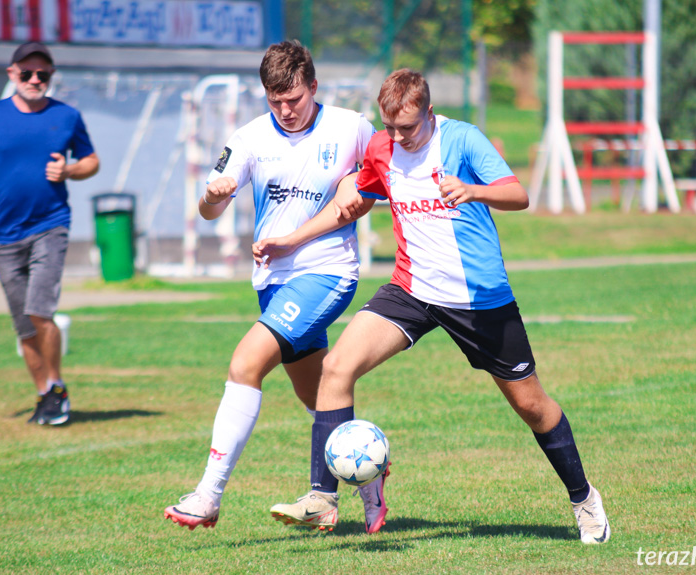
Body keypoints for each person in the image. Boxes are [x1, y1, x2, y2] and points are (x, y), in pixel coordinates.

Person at [257, 69, 610, 544]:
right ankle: (323, 498)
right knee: (337, 367)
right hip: (412, 290)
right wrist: (289, 240)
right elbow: (355, 201)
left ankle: (584, 499)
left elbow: (519, 195)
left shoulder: (463, 140)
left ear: (428, 112)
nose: (398, 137)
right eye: (390, 127)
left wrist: (474, 190)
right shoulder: (383, 148)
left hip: (478, 300)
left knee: (532, 407)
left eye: (408, 127)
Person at [162, 40, 390, 533]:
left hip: (328, 272)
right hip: (273, 282)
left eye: (293, 99)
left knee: (245, 363)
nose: (285, 110)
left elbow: (375, 185)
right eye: (274, 100)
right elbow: (210, 208)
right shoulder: (247, 139)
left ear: (313, 86)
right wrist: (212, 196)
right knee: (318, 397)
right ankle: (371, 475)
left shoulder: (351, 127)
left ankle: (208, 495)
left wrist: (359, 191)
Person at [0, 41, 99, 426]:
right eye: (27, 73)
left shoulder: (67, 116)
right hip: (4, 236)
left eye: (42, 74)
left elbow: (91, 161)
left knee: (39, 310)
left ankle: (58, 387)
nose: (35, 80)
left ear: (50, 76)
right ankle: (44, 395)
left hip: (51, 225)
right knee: (24, 325)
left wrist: (69, 171)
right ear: (11, 73)